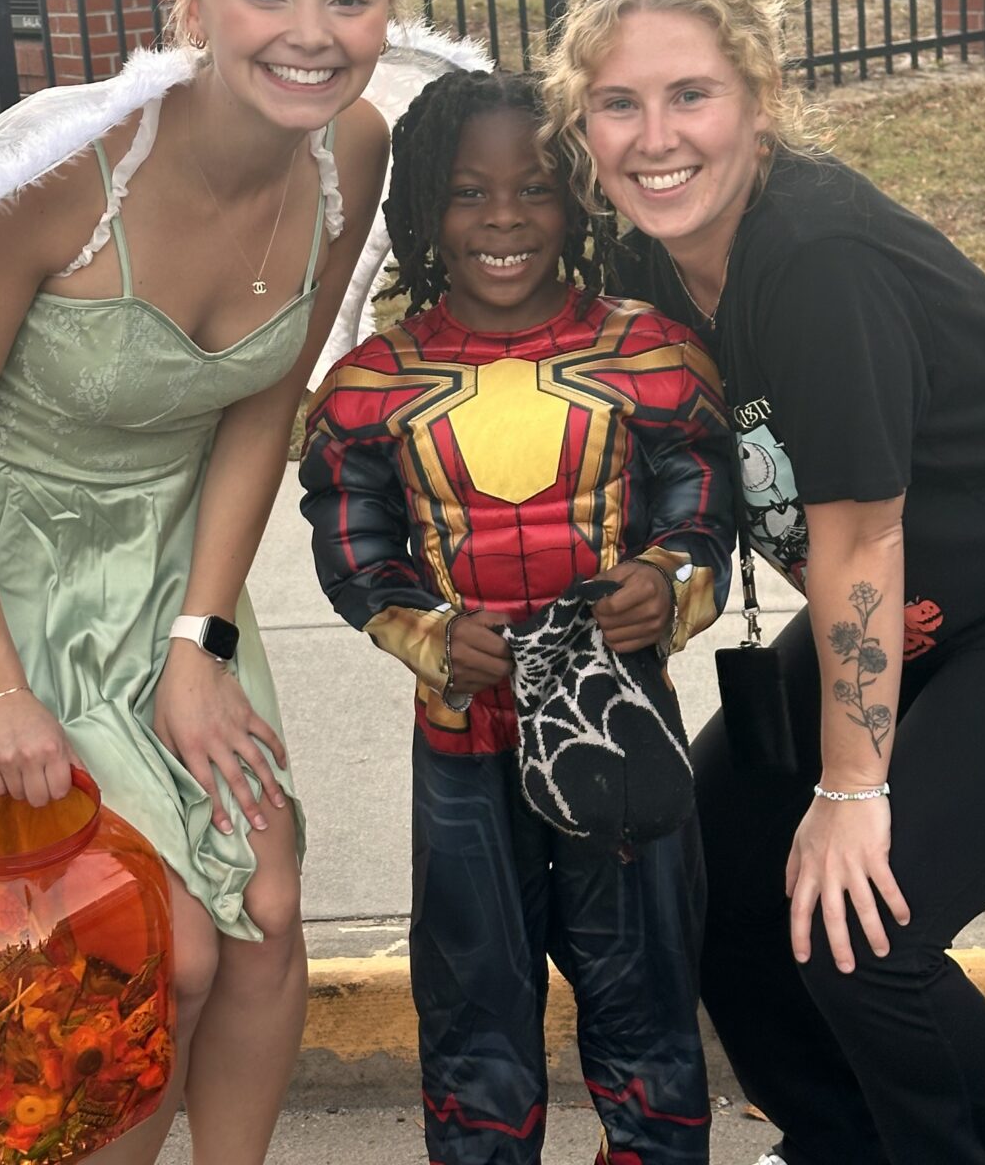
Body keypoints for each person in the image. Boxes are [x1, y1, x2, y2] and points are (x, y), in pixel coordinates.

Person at [538, 0, 985, 1165]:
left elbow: (861, 532)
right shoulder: (651, 263)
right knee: (717, 875)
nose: (656, 137)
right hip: (927, 613)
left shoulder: (812, 255)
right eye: (619, 103)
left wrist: (849, 791)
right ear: (586, 121)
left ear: (759, 102)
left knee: (865, 926)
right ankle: (842, 1144)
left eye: (690, 96)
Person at [0, 0, 403, 1165]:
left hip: (172, 562)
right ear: (190, 6)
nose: (310, 32)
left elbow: (262, 405)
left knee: (264, 906)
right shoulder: (64, 170)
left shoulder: (349, 152)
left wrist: (203, 645)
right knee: (145, 949)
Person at [297, 68, 733, 1165]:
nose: (502, 217)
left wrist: (672, 583)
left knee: (647, 1009)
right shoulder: (369, 386)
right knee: (474, 1023)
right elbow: (353, 550)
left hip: (622, 741)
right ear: (423, 213)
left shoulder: (656, 357)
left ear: (577, 198)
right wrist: (431, 637)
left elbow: (706, 509)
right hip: (461, 751)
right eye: (466, 191)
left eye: (535, 188)